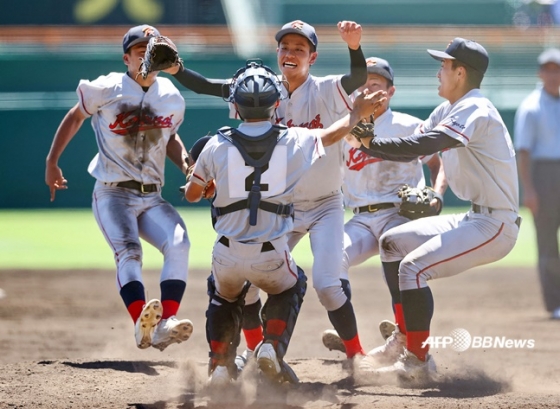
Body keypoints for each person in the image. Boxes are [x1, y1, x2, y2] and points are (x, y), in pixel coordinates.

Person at [184, 61, 386, 385]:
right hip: (270, 253)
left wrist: (205, 185)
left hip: (226, 252)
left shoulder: (215, 144)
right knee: (292, 286)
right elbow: (331, 136)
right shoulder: (291, 140)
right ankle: (271, 347)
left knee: (223, 296)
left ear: (234, 105)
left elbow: (193, 194)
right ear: (277, 103)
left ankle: (220, 365)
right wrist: (356, 114)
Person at [346, 38, 521, 386]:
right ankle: (404, 338)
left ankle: (418, 362)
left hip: (496, 223)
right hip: (475, 216)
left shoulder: (476, 109)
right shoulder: (450, 109)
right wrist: (364, 124)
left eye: (443, 65)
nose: (438, 71)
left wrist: (368, 141)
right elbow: (416, 146)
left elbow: (424, 145)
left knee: (413, 269)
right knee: (392, 242)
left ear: (460, 72)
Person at [45, 24, 194, 352]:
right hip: (112, 193)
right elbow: (74, 117)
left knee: (180, 243)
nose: (147, 55)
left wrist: (186, 165)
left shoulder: (171, 96)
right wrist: (52, 161)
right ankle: (139, 322)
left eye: (153, 49)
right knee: (129, 253)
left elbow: (170, 139)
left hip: (152, 195)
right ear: (126, 57)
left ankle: (164, 323)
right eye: (140, 50)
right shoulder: (106, 87)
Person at [230, 20, 370, 367]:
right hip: (282, 207)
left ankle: (357, 356)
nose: (290, 53)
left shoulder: (325, 89)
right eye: (285, 47)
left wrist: (354, 47)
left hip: (325, 205)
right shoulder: (264, 93)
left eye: (299, 48)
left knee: (327, 285)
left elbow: (356, 79)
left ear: (313, 57)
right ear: (277, 53)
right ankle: (253, 352)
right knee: (248, 285)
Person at [320, 57, 447, 359]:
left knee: (399, 260)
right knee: (330, 263)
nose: (367, 90)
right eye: (362, 85)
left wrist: (435, 193)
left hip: (399, 213)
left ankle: (404, 336)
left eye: (375, 85)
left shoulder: (409, 125)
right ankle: (355, 352)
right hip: (360, 219)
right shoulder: (343, 130)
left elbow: (437, 164)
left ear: (391, 92)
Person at [514, 48, 560, 320]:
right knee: (547, 243)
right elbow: (524, 151)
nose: (553, 75)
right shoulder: (531, 107)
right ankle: (555, 302)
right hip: (544, 176)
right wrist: (529, 190)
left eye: (557, 69)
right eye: (548, 69)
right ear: (540, 73)